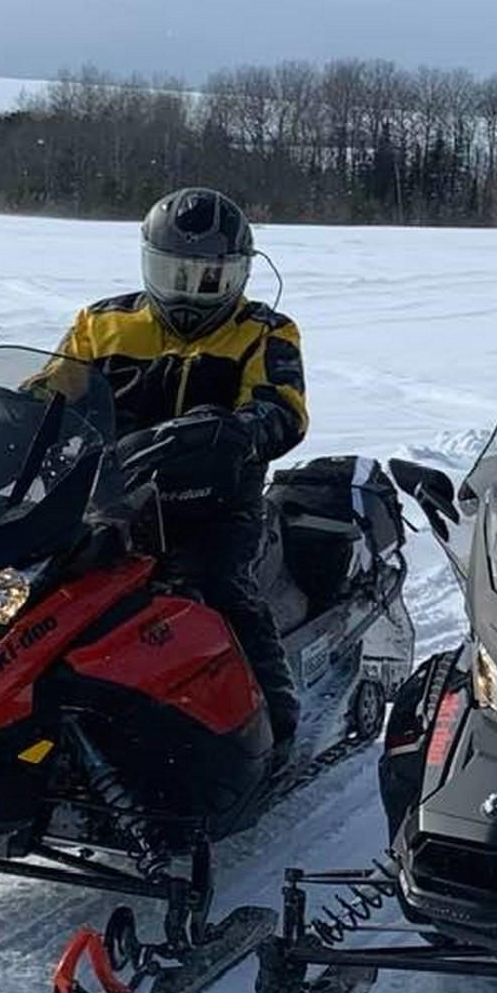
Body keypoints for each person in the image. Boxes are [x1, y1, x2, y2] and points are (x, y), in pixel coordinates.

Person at [57, 187, 305, 746]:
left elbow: (285, 408)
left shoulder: (264, 332)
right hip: (105, 496)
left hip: (212, 503)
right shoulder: (102, 324)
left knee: (217, 585)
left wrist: (239, 429)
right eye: (174, 273)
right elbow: (49, 392)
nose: (190, 292)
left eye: (208, 277)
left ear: (239, 274)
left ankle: (276, 718)